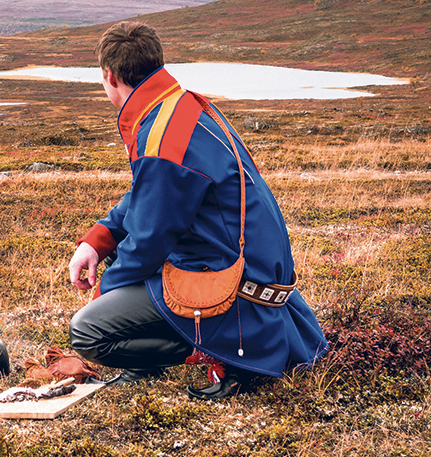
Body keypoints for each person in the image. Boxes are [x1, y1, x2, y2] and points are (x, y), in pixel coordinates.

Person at [67, 21, 326, 398]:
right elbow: (149, 195)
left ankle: (211, 350)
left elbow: (148, 239)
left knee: (88, 332)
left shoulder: (161, 137)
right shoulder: (181, 106)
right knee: (114, 261)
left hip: (232, 284)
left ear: (109, 75)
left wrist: (104, 295)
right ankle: (158, 355)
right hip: (250, 269)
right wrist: (97, 241)